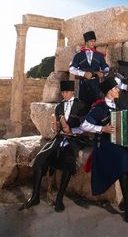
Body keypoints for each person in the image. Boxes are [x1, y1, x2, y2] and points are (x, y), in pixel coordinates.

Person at [80, 76, 128, 224]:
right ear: (109, 92)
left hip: (121, 144)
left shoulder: (120, 105)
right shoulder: (99, 107)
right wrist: (102, 128)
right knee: (123, 160)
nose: (118, 90)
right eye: (116, 88)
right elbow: (84, 125)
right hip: (105, 146)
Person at [19, 80, 88, 212]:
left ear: (73, 91)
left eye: (66, 92)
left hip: (74, 139)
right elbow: (56, 129)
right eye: (62, 92)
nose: (64, 94)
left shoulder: (81, 105)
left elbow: (85, 128)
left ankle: (59, 199)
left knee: (68, 161)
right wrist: (54, 129)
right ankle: (35, 197)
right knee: (40, 160)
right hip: (59, 137)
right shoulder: (59, 107)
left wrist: (72, 131)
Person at [69, 30, 109, 108]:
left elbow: (106, 67)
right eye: (91, 41)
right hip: (83, 85)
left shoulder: (99, 56)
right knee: (83, 107)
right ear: (86, 42)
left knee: (96, 106)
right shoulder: (78, 55)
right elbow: (72, 69)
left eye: (94, 41)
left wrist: (103, 73)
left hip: (96, 86)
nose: (93, 43)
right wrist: (83, 73)